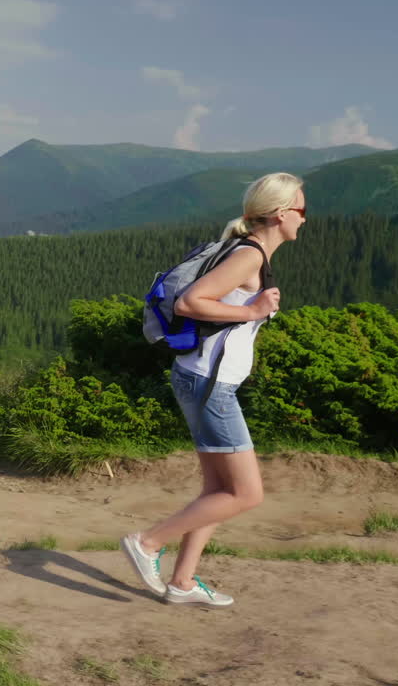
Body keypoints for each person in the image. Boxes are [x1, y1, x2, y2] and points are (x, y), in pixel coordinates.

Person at [121, 173, 306, 607]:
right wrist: (254, 310)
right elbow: (190, 303)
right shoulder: (248, 256)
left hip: (201, 379)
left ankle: (182, 583)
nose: (305, 220)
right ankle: (147, 543)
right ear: (281, 215)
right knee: (246, 493)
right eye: (302, 211)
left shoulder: (247, 252)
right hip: (210, 385)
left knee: (216, 492)